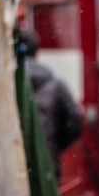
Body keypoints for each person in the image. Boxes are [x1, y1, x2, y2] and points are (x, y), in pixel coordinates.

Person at [18, 29, 82, 177]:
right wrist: (54, 143)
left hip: (13, 166)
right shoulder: (56, 84)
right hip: (45, 164)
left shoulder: (6, 83)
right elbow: (75, 124)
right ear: (38, 53)